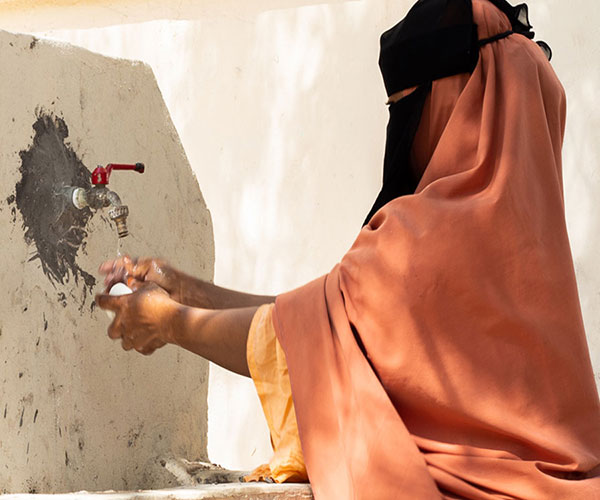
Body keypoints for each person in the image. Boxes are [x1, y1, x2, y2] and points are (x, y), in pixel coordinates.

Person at [97, 0, 600, 498]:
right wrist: (184, 289)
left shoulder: (426, 238)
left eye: (406, 108)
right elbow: (327, 320)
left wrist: (168, 321)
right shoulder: (529, 237)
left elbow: (311, 341)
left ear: (451, 103)